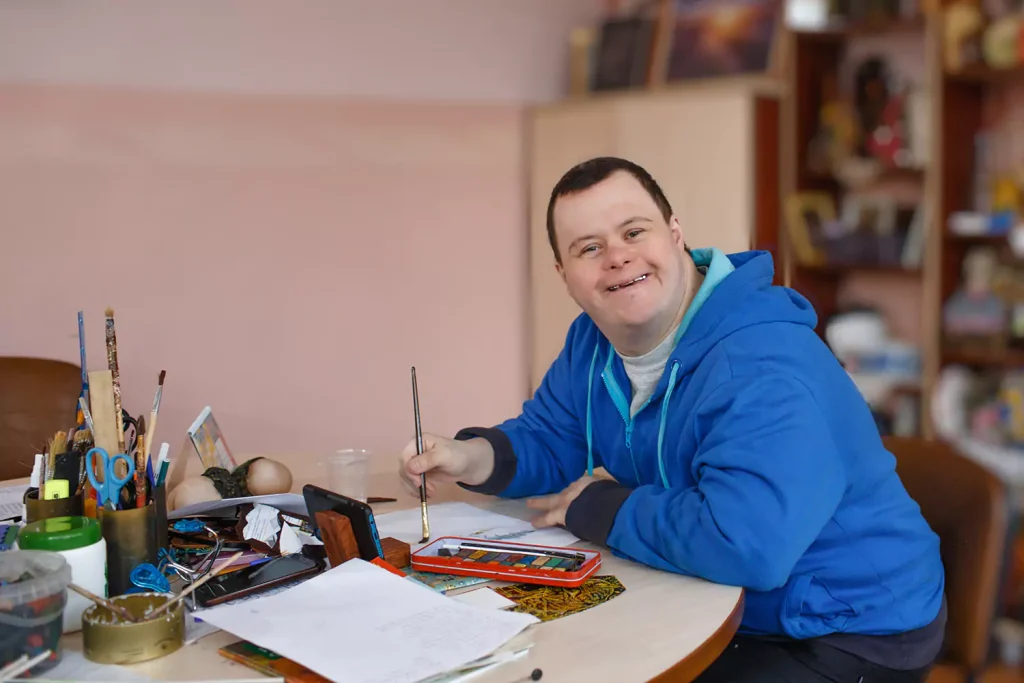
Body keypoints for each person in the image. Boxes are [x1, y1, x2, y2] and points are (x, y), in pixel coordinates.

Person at [398, 156, 946, 682]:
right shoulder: (592, 341)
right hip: (725, 599)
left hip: (846, 627)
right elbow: (554, 434)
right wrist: (471, 456)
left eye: (634, 232)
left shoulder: (761, 363)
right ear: (565, 275)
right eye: (590, 247)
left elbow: (746, 544)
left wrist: (601, 507)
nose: (617, 256)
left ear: (675, 232)